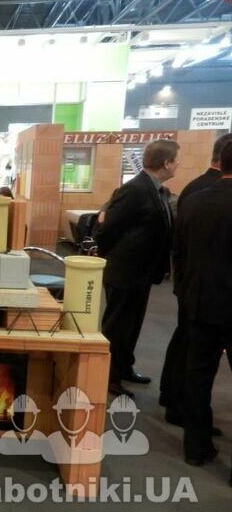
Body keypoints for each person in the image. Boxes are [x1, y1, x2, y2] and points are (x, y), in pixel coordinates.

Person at [94, 139, 179, 398]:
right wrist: (113, 258)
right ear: (166, 163)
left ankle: (124, 367)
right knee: (117, 327)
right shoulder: (135, 189)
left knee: (131, 326)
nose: (178, 165)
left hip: (141, 273)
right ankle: (108, 376)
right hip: (124, 272)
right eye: (176, 160)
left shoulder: (156, 190)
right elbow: (107, 229)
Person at [160, 133, 232, 430]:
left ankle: (193, 434)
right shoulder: (201, 191)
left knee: (195, 365)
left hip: (196, 293)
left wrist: (185, 286)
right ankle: (177, 406)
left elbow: (178, 248)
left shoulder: (195, 192)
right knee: (191, 359)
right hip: (213, 297)